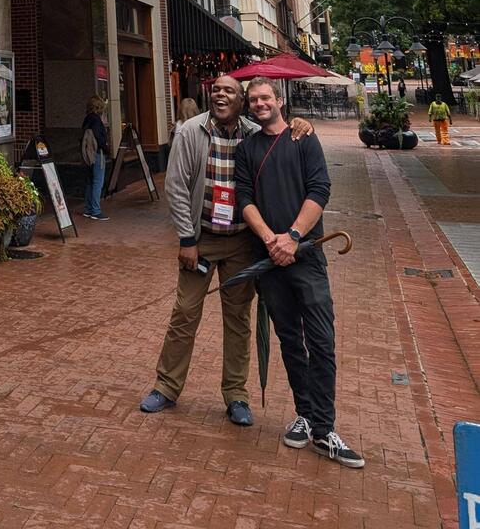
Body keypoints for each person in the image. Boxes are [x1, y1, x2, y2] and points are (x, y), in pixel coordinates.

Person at [139, 76, 311, 427]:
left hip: (241, 243)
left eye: (229, 91)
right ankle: (167, 387)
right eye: (216, 90)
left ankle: (236, 395)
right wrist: (187, 239)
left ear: (242, 101)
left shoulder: (253, 133)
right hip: (200, 241)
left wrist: (299, 124)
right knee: (185, 312)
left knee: (238, 320)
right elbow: (175, 187)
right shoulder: (190, 131)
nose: (220, 94)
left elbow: (281, 133)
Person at [235, 77, 363, 469]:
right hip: (270, 261)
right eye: (253, 99)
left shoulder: (303, 138)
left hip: (306, 256)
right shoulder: (246, 148)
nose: (259, 103)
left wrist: (292, 236)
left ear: (278, 100)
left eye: (265, 97)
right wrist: (271, 240)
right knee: (290, 340)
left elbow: (319, 189)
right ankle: (305, 415)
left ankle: (326, 428)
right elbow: (245, 198)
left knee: (322, 340)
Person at [81, 95, 109, 221]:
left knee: (90, 181)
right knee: (98, 182)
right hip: (97, 154)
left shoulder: (86, 119)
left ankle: (87, 209)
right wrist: (106, 148)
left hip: (87, 155)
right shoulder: (97, 121)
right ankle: (96, 211)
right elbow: (100, 138)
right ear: (99, 107)